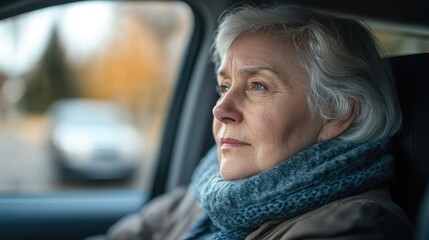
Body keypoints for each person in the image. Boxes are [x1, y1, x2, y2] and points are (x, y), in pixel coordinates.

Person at [105, 3, 414, 240]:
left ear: (336, 112)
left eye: (258, 86)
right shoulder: (212, 189)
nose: (220, 109)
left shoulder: (354, 226)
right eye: (225, 87)